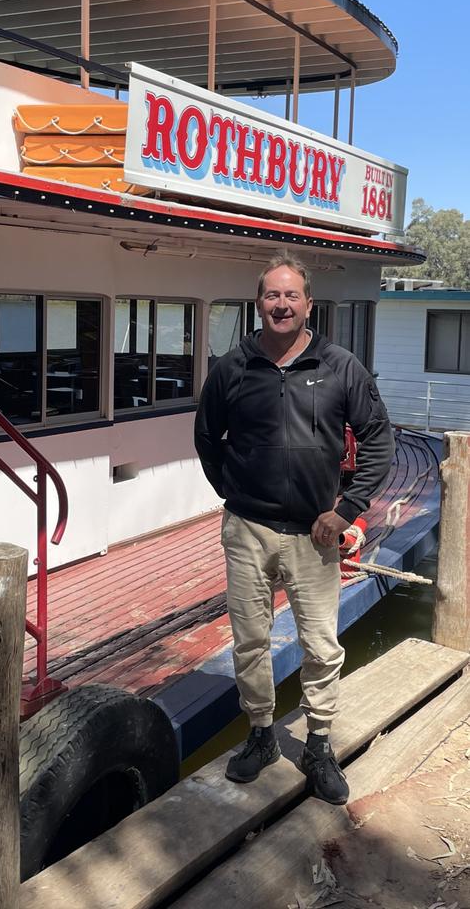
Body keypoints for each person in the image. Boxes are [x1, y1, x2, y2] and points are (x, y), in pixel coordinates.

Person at [194, 253, 394, 804]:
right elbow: (208, 438)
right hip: (248, 529)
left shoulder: (340, 365)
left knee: (320, 644)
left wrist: (346, 509)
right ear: (259, 303)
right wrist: (234, 494)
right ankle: (260, 735)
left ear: (308, 304)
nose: (281, 305)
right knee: (250, 640)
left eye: (291, 296)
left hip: (316, 533)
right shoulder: (233, 368)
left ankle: (319, 744)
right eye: (271, 296)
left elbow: (379, 440)